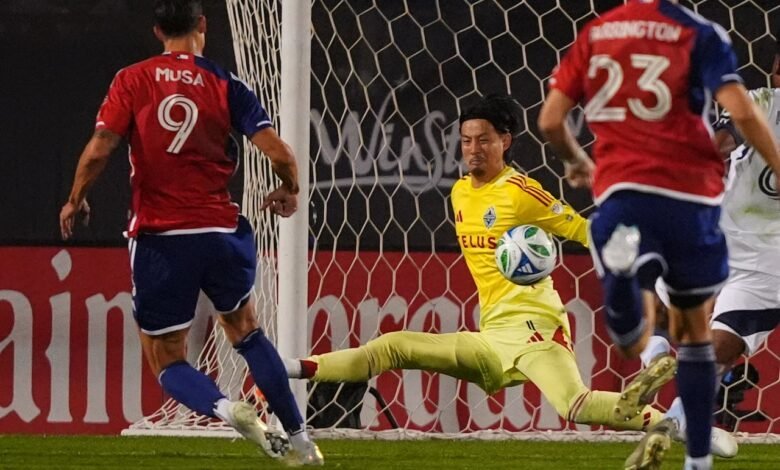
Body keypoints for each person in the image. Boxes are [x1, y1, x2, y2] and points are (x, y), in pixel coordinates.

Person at [284, 93, 704, 439]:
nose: (473, 150)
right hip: (492, 335)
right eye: (466, 140)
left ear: (505, 141)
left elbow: (582, 230)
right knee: (392, 347)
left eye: (483, 140)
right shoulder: (460, 193)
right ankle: (289, 367)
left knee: (574, 405)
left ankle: (677, 424)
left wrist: (642, 248)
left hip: (536, 327)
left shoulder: (521, 192)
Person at [58, 0, 322, 465]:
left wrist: (75, 197)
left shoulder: (132, 79)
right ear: (202, 24)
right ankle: (301, 441)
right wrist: (290, 188)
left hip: (161, 238)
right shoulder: (226, 83)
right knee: (246, 331)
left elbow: (101, 148)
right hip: (221, 232)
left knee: (166, 357)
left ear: (158, 31)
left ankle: (226, 409)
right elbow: (279, 152)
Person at [537, 1, 780, 469]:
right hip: (714, 223)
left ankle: (651, 352)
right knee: (707, 342)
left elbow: (550, 121)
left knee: (645, 328)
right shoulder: (702, 35)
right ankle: (690, 449)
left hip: (637, 198)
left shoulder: (597, 34)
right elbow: (736, 119)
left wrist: (574, 160)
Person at [625, 28, 780, 467]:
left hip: (729, 240)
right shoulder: (762, 102)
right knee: (719, 348)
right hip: (759, 257)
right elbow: (725, 137)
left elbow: (721, 140)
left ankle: (663, 379)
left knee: (661, 288)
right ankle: (677, 408)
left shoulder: (759, 100)